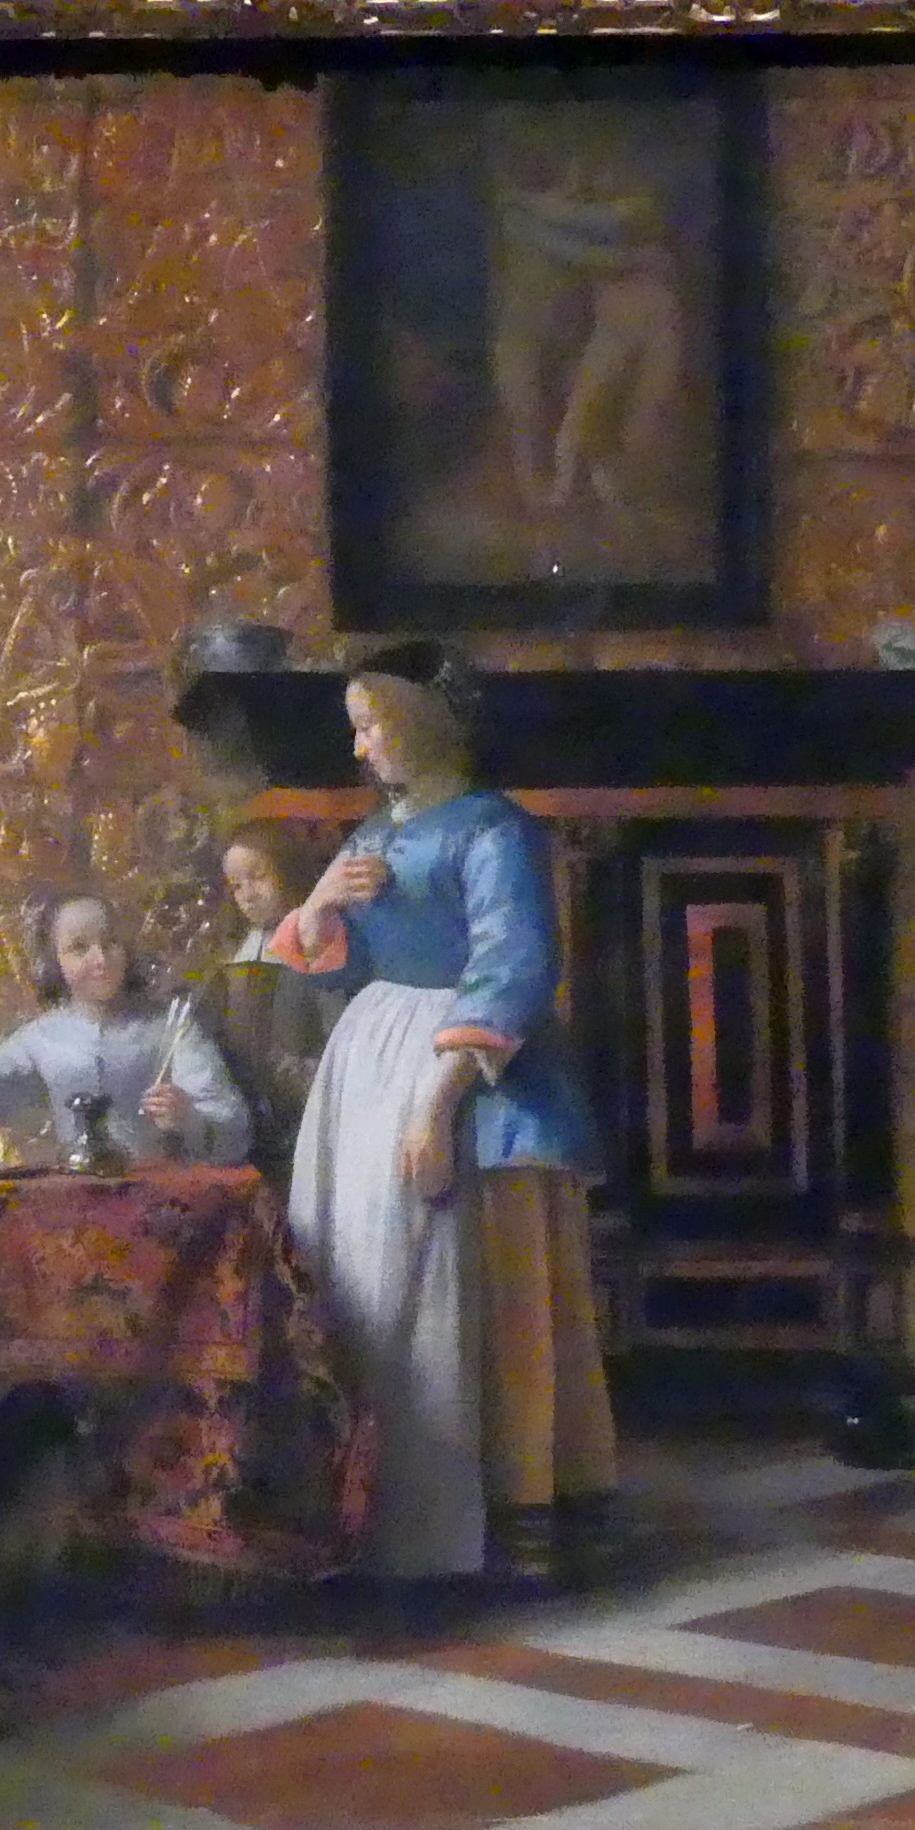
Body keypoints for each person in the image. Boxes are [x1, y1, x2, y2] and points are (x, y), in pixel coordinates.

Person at [265, 642, 616, 1589]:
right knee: (366, 1282)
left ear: (422, 720)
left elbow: (514, 966)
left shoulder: (494, 828)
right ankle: (379, 1513)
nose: (361, 746)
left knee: (476, 1291)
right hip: (370, 1064)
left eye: (372, 723)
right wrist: (322, 900)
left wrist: (439, 1101)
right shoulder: (376, 830)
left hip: (469, 1073)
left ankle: (502, 1518)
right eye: (353, 728)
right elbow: (336, 960)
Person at [0, 890, 249, 1169]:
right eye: (79, 948)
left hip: (161, 1201)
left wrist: (187, 1117)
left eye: (110, 943)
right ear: (55, 961)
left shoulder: (171, 1027)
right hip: (74, 1200)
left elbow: (235, 1133)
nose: (100, 960)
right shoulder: (44, 1036)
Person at [188, 821, 337, 1184]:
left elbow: (333, 1024)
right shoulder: (230, 952)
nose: (248, 895)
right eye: (237, 886)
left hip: (302, 1105)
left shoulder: (316, 939)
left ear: (286, 870)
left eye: (258, 877)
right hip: (244, 1106)